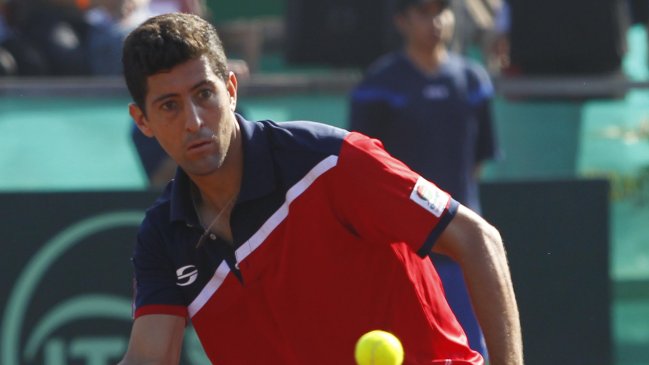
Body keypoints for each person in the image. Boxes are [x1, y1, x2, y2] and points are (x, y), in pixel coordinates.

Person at [118, 12, 522, 365]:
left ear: (232, 90)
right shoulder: (161, 236)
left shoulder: (330, 161)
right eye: (169, 105)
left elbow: (476, 237)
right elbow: (150, 358)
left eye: (204, 94)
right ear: (143, 120)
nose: (193, 121)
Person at [349, 0, 500, 358]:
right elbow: (360, 168)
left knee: (470, 353)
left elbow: (478, 159)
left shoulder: (473, 79)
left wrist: (449, 223)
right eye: (423, 12)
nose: (435, 21)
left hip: (460, 251)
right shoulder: (378, 84)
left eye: (441, 11)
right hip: (401, 254)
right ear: (402, 20)